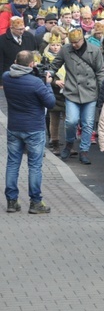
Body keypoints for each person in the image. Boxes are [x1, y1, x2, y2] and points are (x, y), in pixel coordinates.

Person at [3, 50, 55, 213]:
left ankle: (12, 201)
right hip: (34, 128)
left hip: (14, 126)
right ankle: (35, 202)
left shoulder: (6, 77)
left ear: (15, 61)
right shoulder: (36, 83)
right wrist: (47, 83)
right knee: (34, 165)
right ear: (32, 64)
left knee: (12, 163)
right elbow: (50, 103)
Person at [49, 27, 104, 165]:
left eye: (77, 42)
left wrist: (102, 91)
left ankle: (84, 150)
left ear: (83, 39)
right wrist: (52, 77)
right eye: (72, 42)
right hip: (72, 91)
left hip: (90, 91)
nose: (74, 44)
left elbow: (101, 71)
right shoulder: (65, 50)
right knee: (71, 121)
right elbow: (54, 66)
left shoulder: (94, 50)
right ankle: (69, 142)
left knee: (87, 123)